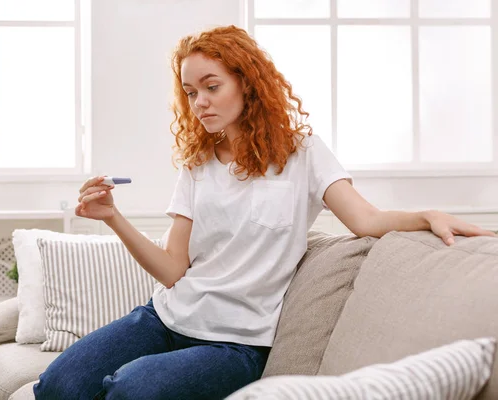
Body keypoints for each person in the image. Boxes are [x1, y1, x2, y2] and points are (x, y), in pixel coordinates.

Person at [33, 25, 495, 400]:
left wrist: (427, 214)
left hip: (236, 345)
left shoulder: (304, 153)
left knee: (133, 389)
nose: (200, 103)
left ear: (247, 83)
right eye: (191, 92)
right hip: (165, 318)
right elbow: (174, 270)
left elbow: (365, 221)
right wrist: (114, 217)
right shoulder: (197, 165)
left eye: (212, 87)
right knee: (58, 385)